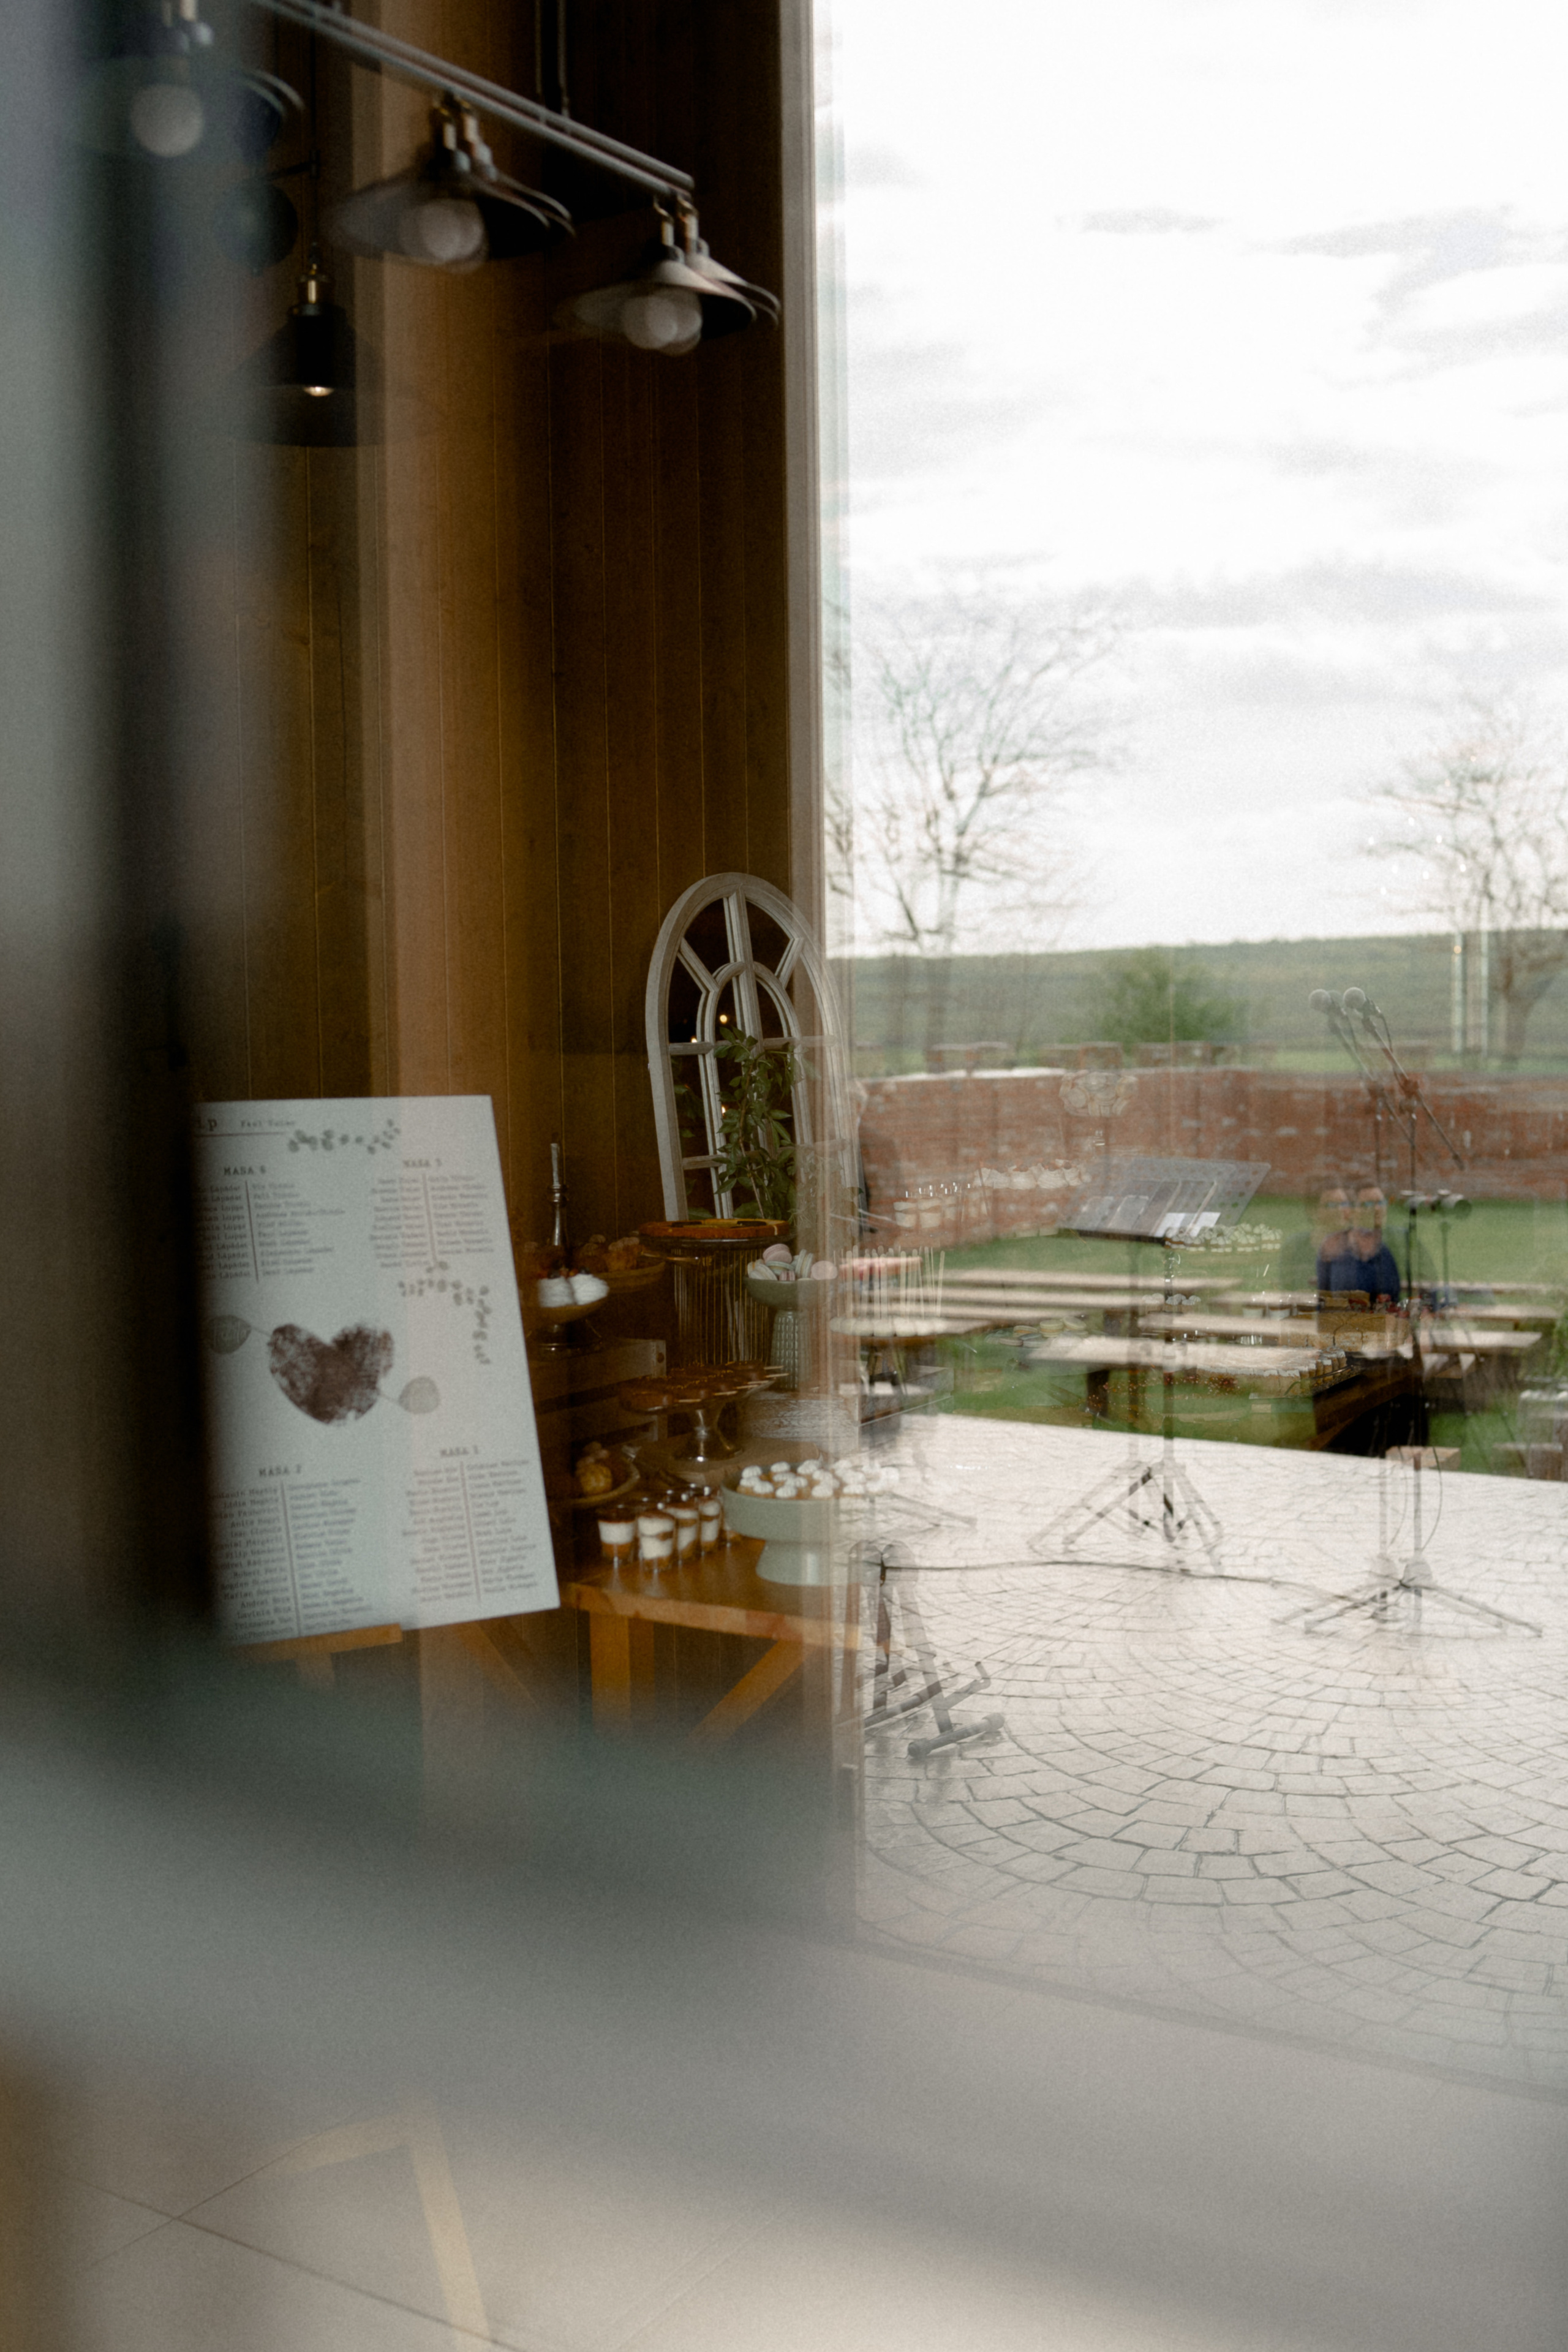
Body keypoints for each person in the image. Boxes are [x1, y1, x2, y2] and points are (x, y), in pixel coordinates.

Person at [1317, 1183, 1402, 1308]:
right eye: (1369, 1204)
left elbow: (1394, 1301)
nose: (1378, 1209)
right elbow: (1323, 1301)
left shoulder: (1390, 1248)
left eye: (1382, 1203)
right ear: (1353, 1210)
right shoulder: (1334, 1246)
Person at [1278, 1183, 1351, 1294]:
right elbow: (1286, 1292)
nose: (1340, 1209)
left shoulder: (1359, 1247)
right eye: (1332, 1205)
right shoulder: (1294, 1246)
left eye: (1344, 1203)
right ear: (1314, 1212)